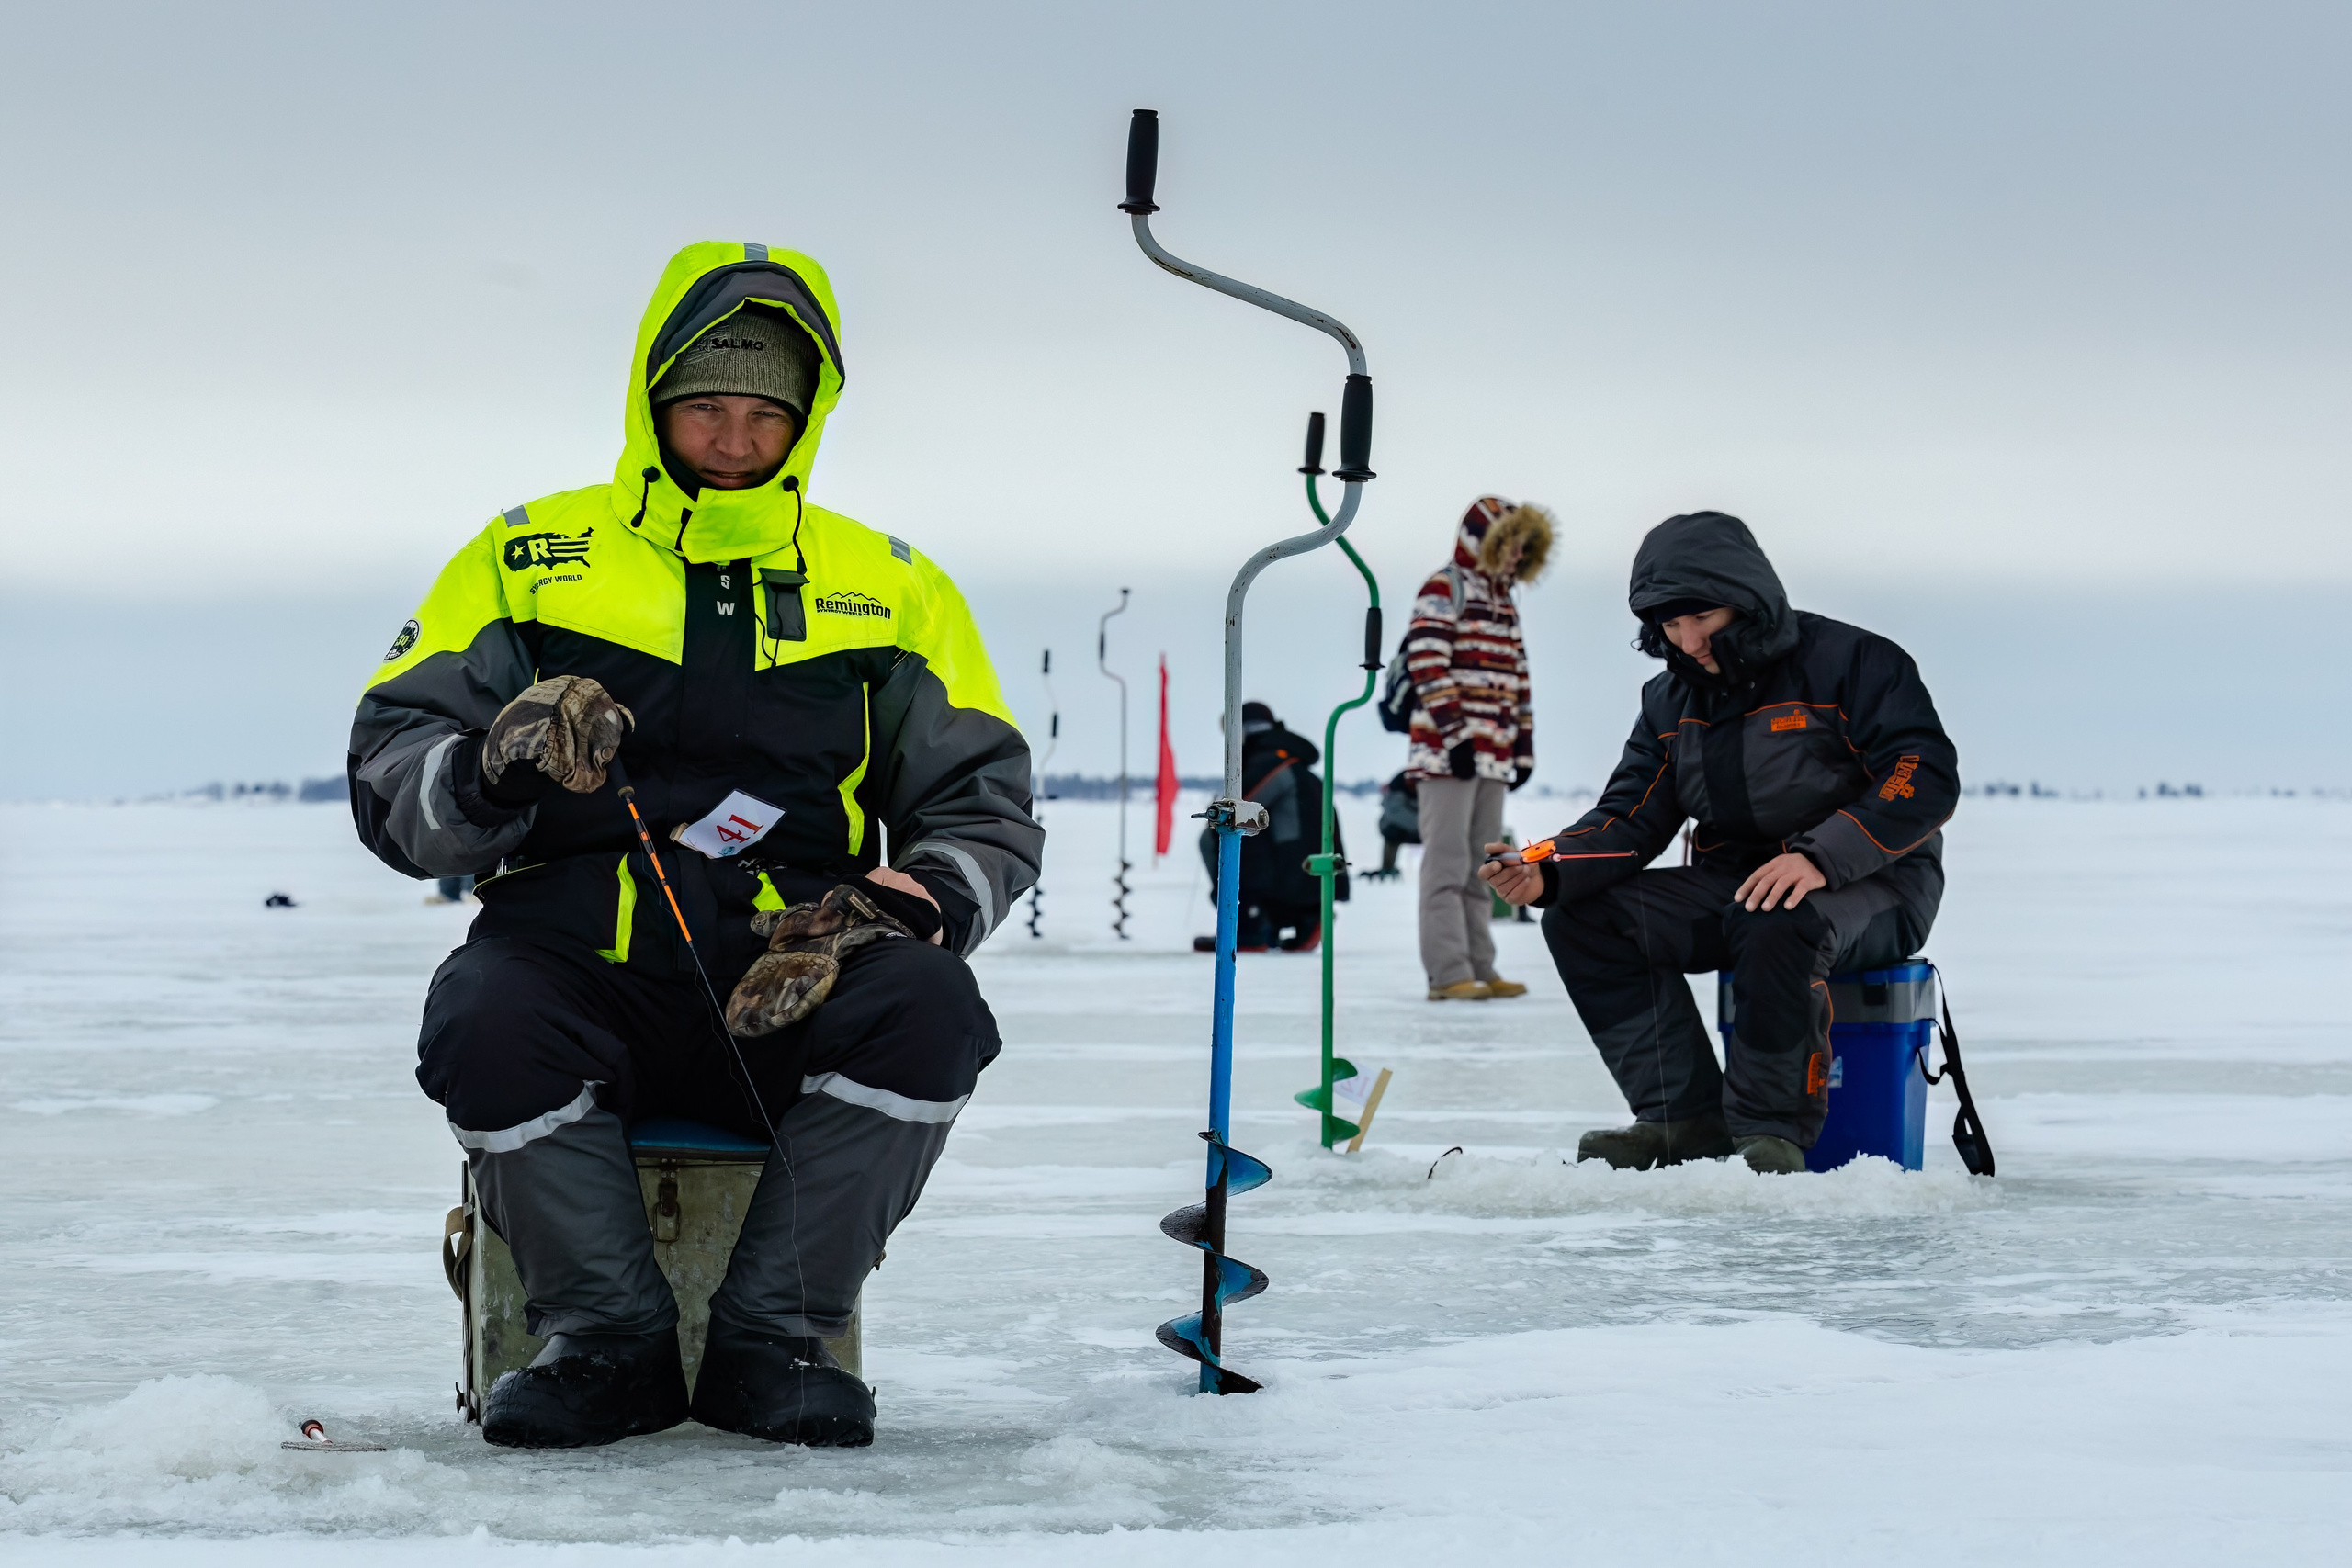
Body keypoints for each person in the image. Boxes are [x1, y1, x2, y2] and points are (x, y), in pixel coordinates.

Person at [347, 242, 1039, 1449]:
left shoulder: (894, 587)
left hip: (796, 963)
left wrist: (912, 901)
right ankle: (605, 1339)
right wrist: (495, 761)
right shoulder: (526, 560)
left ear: (806, 417)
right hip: (577, 958)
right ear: (653, 400)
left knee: (930, 1005)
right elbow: (393, 772)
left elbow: (984, 803)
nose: (731, 438)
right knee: (481, 1014)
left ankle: (778, 1335)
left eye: (763, 411)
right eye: (705, 406)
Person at [1481, 512, 1956, 1174]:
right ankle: (1683, 1118)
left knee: (1777, 916)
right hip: (1738, 884)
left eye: (1700, 617)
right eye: (1670, 626)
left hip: (1876, 882)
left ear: (1747, 597)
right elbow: (1631, 813)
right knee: (1583, 919)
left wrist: (1820, 856)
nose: (1688, 638)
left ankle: (1770, 1134)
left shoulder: (1853, 661)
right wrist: (1550, 870)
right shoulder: (1670, 701)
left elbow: (1922, 774)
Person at [1405, 496, 1552, 1000]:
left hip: (1492, 756)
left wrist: (1522, 746)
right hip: (1447, 756)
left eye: (1522, 548)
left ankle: (1482, 967)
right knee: (1446, 865)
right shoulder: (1444, 588)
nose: (1516, 556)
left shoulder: (1504, 601)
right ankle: (1448, 974)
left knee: (1483, 865)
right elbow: (1426, 662)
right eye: (1509, 544)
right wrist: (1456, 735)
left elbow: (1519, 679)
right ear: (1483, 542)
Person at [1194, 702, 1343, 952]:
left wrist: (1215, 809)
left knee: (1225, 833)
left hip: (1288, 875)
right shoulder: (1294, 765)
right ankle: (1304, 917)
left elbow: (1235, 809)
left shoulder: (1270, 763)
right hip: (1313, 874)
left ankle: (1248, 926)